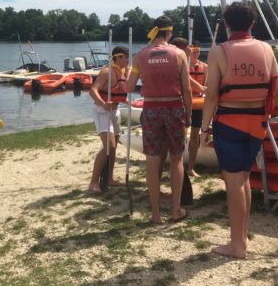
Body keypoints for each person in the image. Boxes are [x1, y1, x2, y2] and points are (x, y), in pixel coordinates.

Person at [201, 2, 278, 259]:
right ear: (252, 24)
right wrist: (264, 116)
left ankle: (236, 246)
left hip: (229, 123)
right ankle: (242, 237)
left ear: (227, 25)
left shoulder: (218, 51)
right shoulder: (267, 49)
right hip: (257, 123)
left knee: (234, 183)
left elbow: (212, 95)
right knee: (244, 179)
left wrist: (204, 128)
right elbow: (275, 90)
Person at [126, 16, 192, 224]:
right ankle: (175, 210)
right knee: (176, 159)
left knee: (152, 160)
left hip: (151, 109)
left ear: (155, 31)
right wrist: (189, 114)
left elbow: (129, 87)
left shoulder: (140, 55)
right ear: (169, 33)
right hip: (174, 108)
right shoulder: (179, 54)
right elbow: (187, 89)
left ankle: (155, 214)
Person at [87, 46, 129, 193]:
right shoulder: (107, 71)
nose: (128, 60)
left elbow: (119, 91)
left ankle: (110, 178)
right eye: (126, 57)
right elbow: (93, 90)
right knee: (108, 146)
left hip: (115, 111)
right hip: (102, 111)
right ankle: (93, 183)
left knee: (113, 146)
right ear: (118, 57)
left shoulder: (123, 71)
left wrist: (127, 101)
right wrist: (102, 103)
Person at [170, 37, 208, 177]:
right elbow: (186, 80)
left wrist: (204, 90)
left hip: (198, 104)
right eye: (193, 51)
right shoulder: (181, 64)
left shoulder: (205, 67)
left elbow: (207, 85)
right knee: (179, 134)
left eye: (198, 52)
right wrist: (200, 88)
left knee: (194, 135)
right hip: (184, 102)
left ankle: (191, 167)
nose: (196, 54)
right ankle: (177, 165)